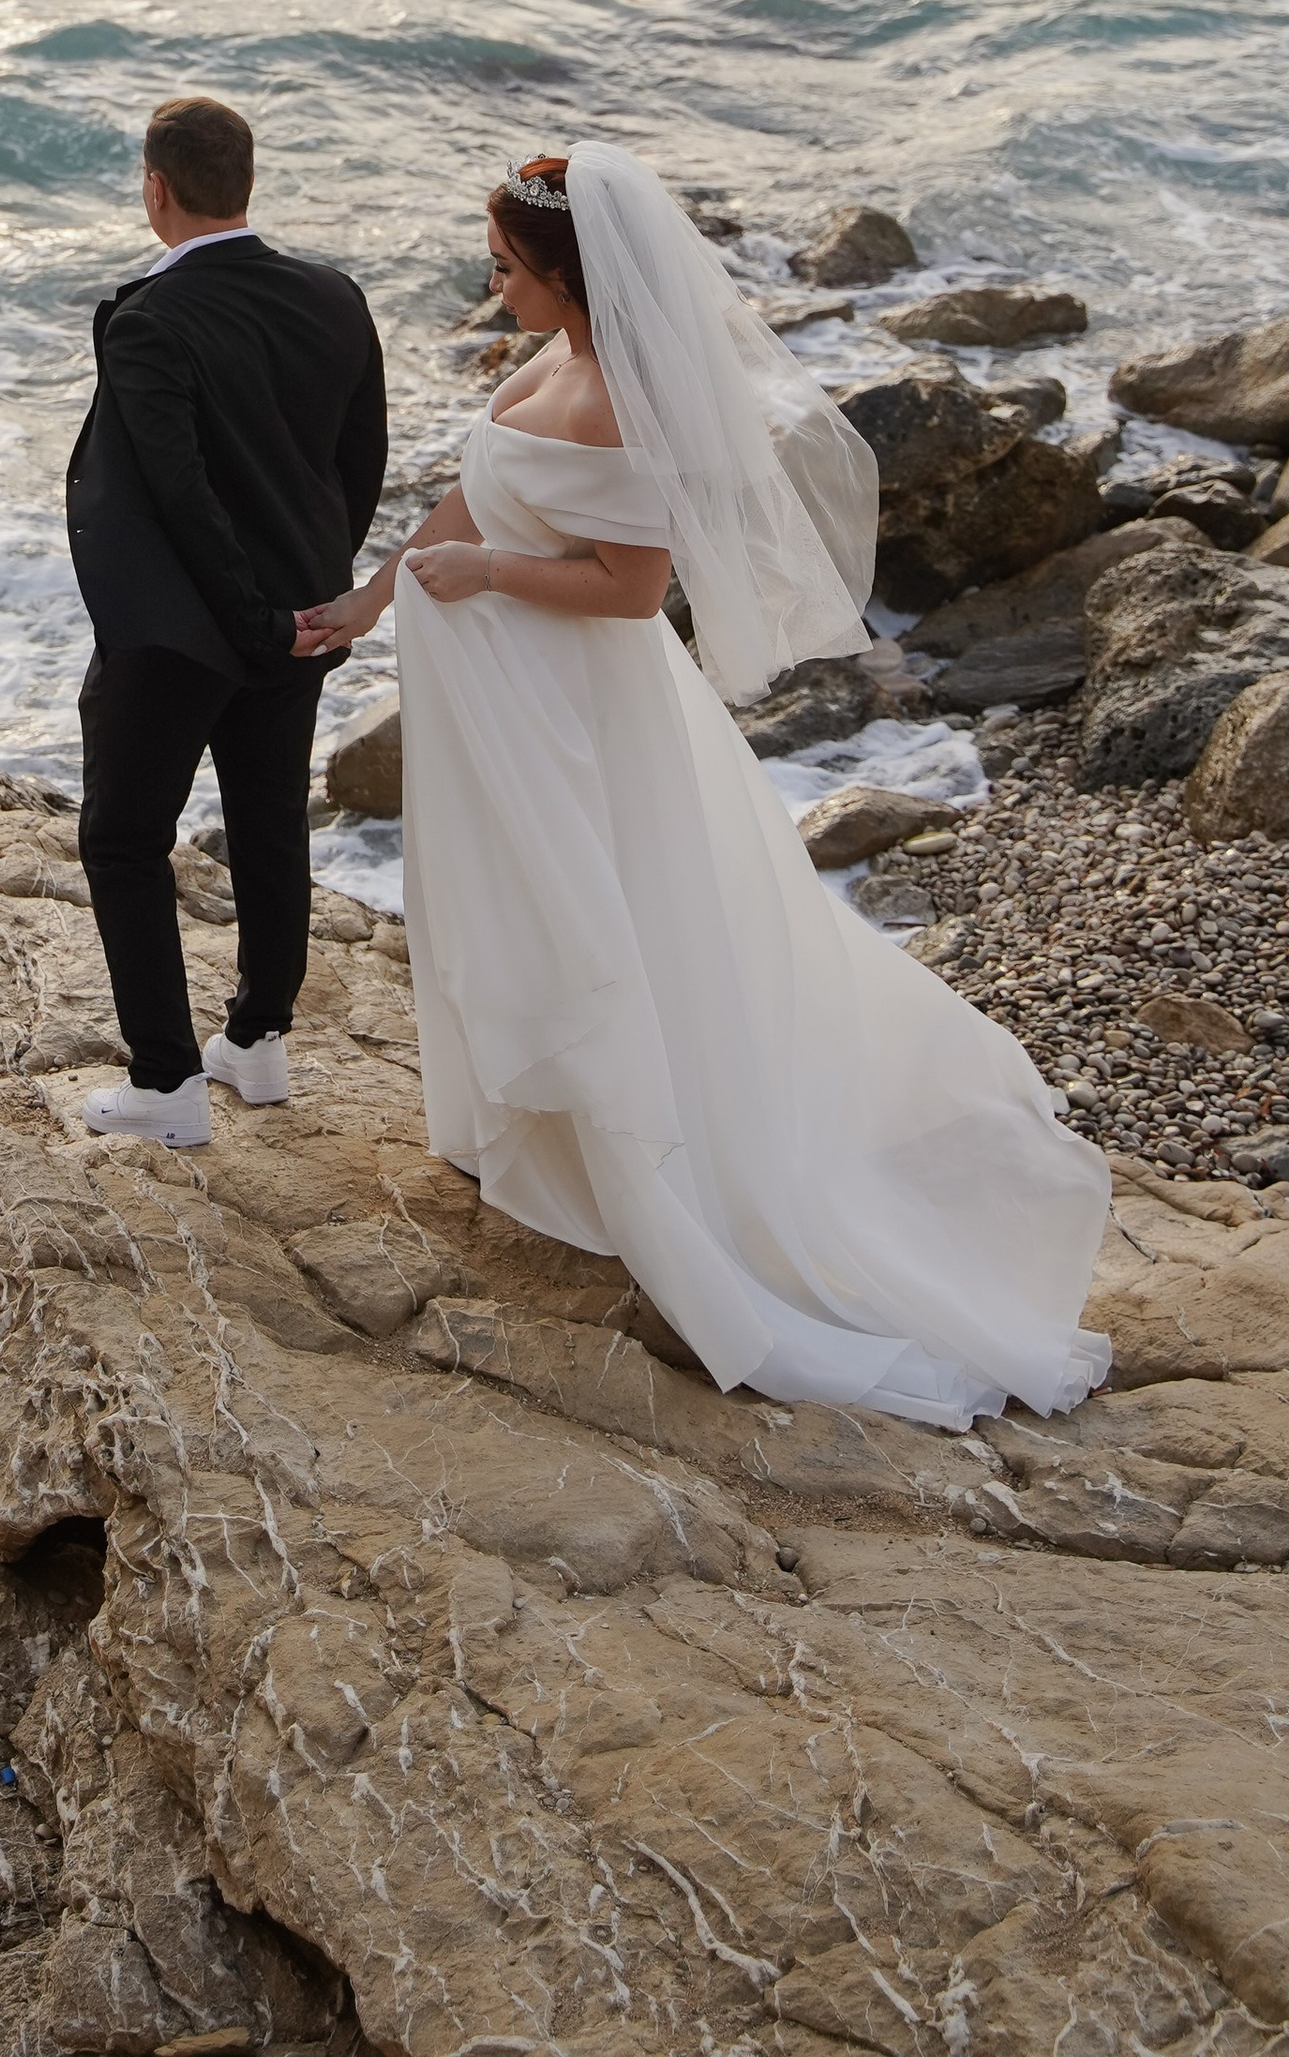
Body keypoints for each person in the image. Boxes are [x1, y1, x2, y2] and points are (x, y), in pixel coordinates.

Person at [301, 140, 1110, 1431]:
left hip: (576, 708)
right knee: (511, 899)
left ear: (568, 272)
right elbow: (472, 495)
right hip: (505, 703)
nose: (491, 284)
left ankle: (647, 1164)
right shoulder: (546, 359)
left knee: (604, 915)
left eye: (506, 267)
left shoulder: (627, 399)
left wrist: (493, 580)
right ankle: (543, 1135)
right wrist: (368, 598)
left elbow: (628, 593)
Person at [65, 95, 388, 1147]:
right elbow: (358, 464)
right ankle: (257, 1042)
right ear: (245, 182)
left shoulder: (149, 319)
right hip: (299, 618)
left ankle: (165, 1085)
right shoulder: (333, 296)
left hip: (180, 633)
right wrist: (313, 599)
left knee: (121, 840)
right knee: (266, 823)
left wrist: (248, 616)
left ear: (155, 188)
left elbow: (178, 492)